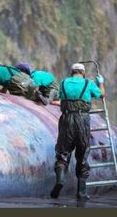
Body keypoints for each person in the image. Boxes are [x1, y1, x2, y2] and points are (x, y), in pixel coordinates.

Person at [50, 63, 105, 201]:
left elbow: (60, 97)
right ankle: (81, 192)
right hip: (82, 120)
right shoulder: (88, 83)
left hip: (66, 119)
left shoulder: (63, 83)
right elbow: (101, 95)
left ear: (72, 72)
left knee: (63, 153)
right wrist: (101, 83)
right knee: (82, 154)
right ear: (83, 73)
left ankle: (60, 180)